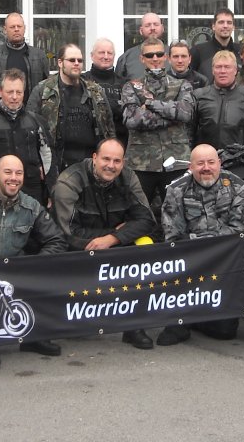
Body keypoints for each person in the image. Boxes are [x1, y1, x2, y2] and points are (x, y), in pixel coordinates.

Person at [51, 138, 157, 350]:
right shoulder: (69, 182)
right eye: (106, 159)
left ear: (123, 162)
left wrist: (112, 239)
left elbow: (147, 219)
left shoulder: (129, 177)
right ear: (94, 158)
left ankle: (134, 326)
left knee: (146, 245)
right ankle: (75, 316)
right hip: (80, 248)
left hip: (115, 244)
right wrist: (115, 234)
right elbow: (69, 233)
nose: (111, 165)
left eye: (117, 161)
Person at [0, 154, 66, 356]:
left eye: (19, 173)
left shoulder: (31, 206)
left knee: (44, 273)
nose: (14, 178)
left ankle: (34, 338)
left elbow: (56, 239)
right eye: (8, 172)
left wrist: (33, 265)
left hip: (14, 274)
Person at [157, 143, 244, 345]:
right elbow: (173, 237)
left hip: (225, 261)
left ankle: (200, 319)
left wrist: (198, 241)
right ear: (190, 167)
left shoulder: (238, 186)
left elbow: (240, 231)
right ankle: (181, 322)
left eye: (211, 162)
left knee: (225, 332)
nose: (206, 168)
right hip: (190, 261)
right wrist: (201, 247)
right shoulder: (176, 190)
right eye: (200, 163)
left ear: (220, 163)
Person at [121, 37, 195, 211]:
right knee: (139, 212)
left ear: (166, 57)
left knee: (178, 211)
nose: (155, 58)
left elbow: (185, 113)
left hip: (176, 160)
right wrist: (171, 116)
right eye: (149, 55)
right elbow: (132, 119)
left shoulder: (181, 85)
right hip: (141, 162)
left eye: (159, 54)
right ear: (142, 58)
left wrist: (151, 104)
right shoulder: (131, 87)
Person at [0, 69, 56, 206]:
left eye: (19, 92)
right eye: (10, 92)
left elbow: (49, 158)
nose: (14, 97)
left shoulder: (37, 122)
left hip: (33, 193)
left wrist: (51, 192)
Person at [27, 43, 116, 172]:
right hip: (56, 164)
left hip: (91, 164)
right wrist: (35, 162)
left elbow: (109, 127)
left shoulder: (95, 91)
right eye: (72, 60)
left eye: (80, 60)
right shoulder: (43, 90)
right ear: (60, 62)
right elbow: (29, 128)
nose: (76, 64)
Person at [192, 50, 244, 150]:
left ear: (235, 70)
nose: (222, 71)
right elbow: (189, 132)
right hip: (206, 157)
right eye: (218, 67)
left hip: (239, 156)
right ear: (213, 70)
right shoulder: (199, 96)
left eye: (227, 67)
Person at [0, 12, 49, 93]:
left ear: (24, 28)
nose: (16, 29)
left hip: (33, 101)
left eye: (19, 26)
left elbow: (46, 85)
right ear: (5, 30)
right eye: (12, 27)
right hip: (1, 101)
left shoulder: (39, 55)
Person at [82, 37, 128, 145]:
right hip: (90, 144)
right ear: (92, 55)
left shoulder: (125, 84)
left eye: (109, 53)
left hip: (119, 143)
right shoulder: (82, 81)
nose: (106, 57)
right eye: (101, 52)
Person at [190, 8, 239, 82]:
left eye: (229, 22)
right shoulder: (198, 51)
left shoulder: (241, 51)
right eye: (221, 22)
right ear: (213, 26)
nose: (225, 26)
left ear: (233, 27)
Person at [115, 12, 165, 81]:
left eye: (156, 24)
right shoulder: (127, 58)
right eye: (148, 25)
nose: (152, 28)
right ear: (141, 30)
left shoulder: (174, 55)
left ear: (162, 28)